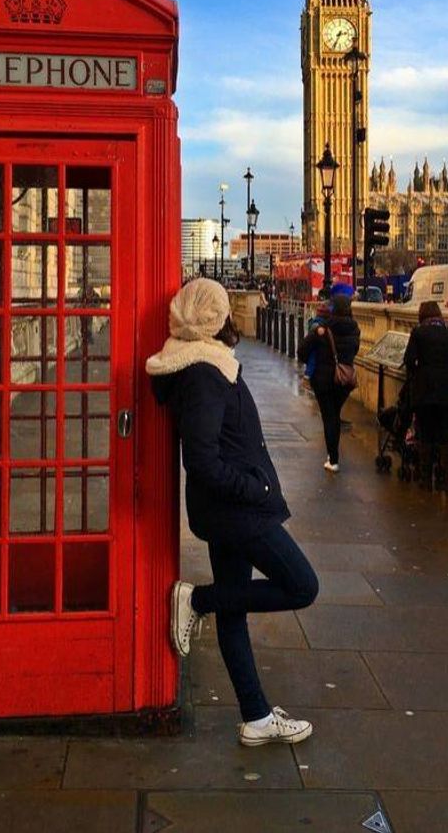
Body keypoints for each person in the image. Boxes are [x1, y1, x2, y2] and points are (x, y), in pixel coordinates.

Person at [146, 278, 319, 746]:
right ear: (213, 318)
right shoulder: (203, 371)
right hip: (238, 510)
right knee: (301, 585)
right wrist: (257, 487)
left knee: (236, 605)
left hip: (228, 508)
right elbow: (200, 459)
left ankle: (256, 716)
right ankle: (195, 600)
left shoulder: (202, 363)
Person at [403, 301, 448, 495]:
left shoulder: (418, 333)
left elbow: (409, 361)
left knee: (426, 436)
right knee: (446, 437)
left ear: (422, 315)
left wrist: (418, 373)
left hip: (425, 392)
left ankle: (426, 482)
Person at [297, 293, 361, 473]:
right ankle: (332, 456)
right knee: (335, 414)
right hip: (343, 380)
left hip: (323, 380)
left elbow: (302, 350)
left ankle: (333, 459)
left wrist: (312, 362)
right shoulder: (355, 329)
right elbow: (354, 350)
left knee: (329, 417)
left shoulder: (323, 329)